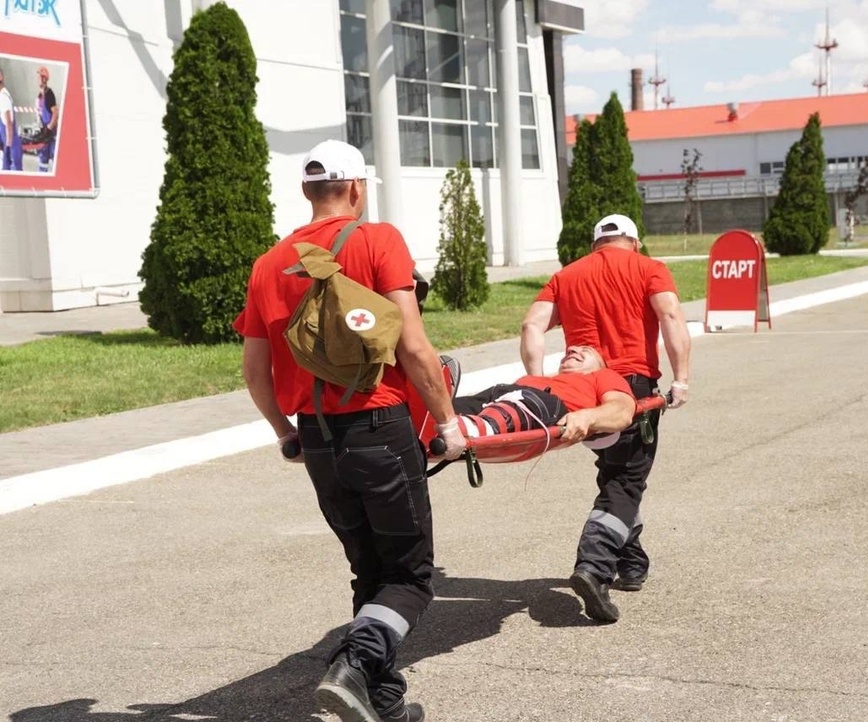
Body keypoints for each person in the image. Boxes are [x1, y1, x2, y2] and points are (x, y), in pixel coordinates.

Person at [234, 139, 466, 722]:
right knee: (410, 576)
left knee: (370, 569)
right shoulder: (377, 240)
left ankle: (379, 701)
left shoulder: (267, 263)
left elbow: (254, 371)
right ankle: (354, 666)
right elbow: (412, 345)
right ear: (357, 187)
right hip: (381, 428)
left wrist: (284, 431)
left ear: (308, 191)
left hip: (317, 438)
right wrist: (447, 422)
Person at [520, 213, 691, 624]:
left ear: (596, 243)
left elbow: (532, 325)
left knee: (615, 473)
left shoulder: (567, 276)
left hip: (580, 390)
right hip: (628, 391)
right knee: (627, 480)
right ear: (633, 240)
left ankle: (632, 564)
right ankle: (594, 567)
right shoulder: (649, 268)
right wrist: (681, 378)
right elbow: (669, 317)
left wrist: (540, 383)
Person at [451, 345, 636, 444]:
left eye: (585, 351)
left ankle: (470, 428)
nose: (572, 350)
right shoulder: (546, 378)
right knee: (467, 404)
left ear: (600, 364)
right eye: (571, 351)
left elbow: (623, 410)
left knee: (527, 399)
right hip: (504, 395)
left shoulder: (602, 375)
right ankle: (434, 418)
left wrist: (587, 417)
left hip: (545, 406)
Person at [0, 68, 24, 172]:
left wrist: (8, 149)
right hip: (8, 143)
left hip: (12, 145)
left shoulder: (3, 97)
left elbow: (8, 123)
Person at [36, 66, 58, 172]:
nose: (38, 79)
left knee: (55, 157)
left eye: (40, 76)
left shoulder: (49, 94)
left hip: (51, 131)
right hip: (44, 130)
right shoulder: (40, 95)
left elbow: (55, 113)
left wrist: (49, 128)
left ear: (45, 78)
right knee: (43, 158)